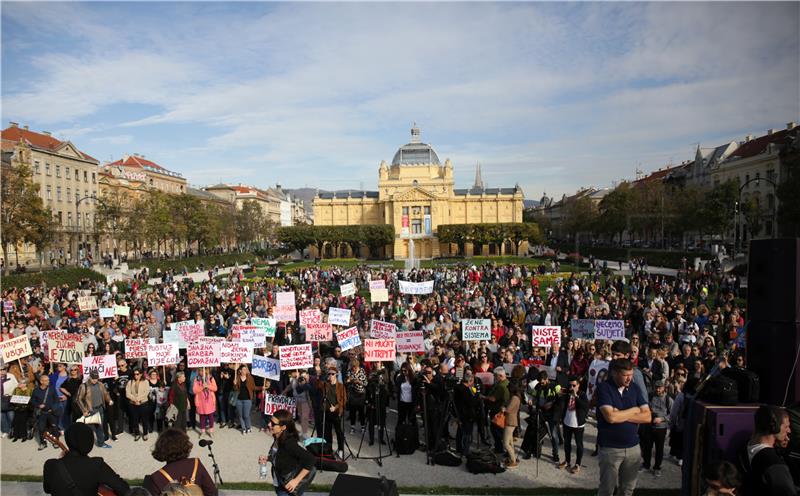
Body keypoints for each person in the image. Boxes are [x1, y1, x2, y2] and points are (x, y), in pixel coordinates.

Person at [596, 358, 652, 496]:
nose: (629, 378)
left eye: (631, 374)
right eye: (625, 375)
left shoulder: (635, 388)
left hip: (633, 448)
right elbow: (610, 417)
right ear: (615, 373)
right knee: (607, 490)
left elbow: (647, 417)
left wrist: (620, 414)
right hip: (610, 449)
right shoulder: (604, 388)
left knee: (627, 490)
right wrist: (635, 410)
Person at [42, 423, 130, 496]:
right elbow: (124, 488)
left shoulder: (50, 465)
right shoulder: (96, 465)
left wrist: (60, 462)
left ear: (68, 440)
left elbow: (48, 489)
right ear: (90, 443)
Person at [142, 428, 217, 496]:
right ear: (185, 445)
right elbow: (212, 492)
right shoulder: (196, 463)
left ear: (161, 449)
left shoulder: (156, 477)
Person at [740, 405, 796, 496]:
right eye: (786, 427)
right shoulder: (773, 463)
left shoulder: (744, 448)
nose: (789, 431)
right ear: (774, 427)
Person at [268, 408, 316, 496]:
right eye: (270, 421)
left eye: (273, 424)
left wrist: (296, 480)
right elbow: (281, 455)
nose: (269, 424)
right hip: (279, 481)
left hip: (287, 487)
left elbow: (310, 459)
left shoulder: (289, 443)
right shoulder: (278, 437)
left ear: (283, 427)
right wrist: (268, 458)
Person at [639, 381, 672, 477]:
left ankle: (657, 468)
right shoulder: (650, 396)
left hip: (661, 428)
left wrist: (662, 419)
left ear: (664, 388)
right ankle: (646, 465)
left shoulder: (668, 399)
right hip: (649, 426)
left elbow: (672, 415)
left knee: (659, 449)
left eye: (660, 387)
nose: (658, 389)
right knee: (647, 447)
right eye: (656, 387)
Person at [75, 370, 113, 449]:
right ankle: (85, 445)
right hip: (90, 410)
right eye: (93, 378)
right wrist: (84, 410)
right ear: (90, 377)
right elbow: (78, 399)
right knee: (88, 428)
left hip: (100, 408)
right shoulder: (84, 386)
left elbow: (105, 394)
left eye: (96, 378)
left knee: (99, 427)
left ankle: (101, 443)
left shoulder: (100, 384)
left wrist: (109, 400)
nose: (95, 380)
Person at [561, 375, 589, 474]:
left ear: (578, 385)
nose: (572, 388)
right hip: (567, 422)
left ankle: (577, 464)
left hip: (578, 424)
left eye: (574, 385)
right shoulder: (568, 393)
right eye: (570, 385)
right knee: (567, 443)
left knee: (579, 444)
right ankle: (567, 461)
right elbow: (562, 405)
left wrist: (575, 396)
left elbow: (585, 407)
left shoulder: (582, 394)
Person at [318, 368, 347, 459]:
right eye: (329, 374)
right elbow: (317, 384)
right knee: (327, 432)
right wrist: (320, 376)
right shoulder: (325, 385)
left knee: (339, 432)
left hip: (337, 412)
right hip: (326, 412)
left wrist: (336, 407)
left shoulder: (341, 386)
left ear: (336, 375)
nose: (330, 375)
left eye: (332, 374)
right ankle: (329, 449)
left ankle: (341, 450)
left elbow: (344, 400)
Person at [482, 367, 510, 455]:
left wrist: (483, 397)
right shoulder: (507, 383)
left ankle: (499, 448)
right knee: (502, 431)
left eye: (495, 376)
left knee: (496, 431)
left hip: (497, 411)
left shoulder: (501, 386)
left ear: (500, 376)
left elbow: (493, 399)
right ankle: (504, 449)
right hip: (503, 410)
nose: (494, 377)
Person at [454, 371, 479, 456]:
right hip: (467, 415)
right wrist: (476, 395)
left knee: (460, 432)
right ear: (470, 381)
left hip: (459, 414)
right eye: (473, 381)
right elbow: (472, 403)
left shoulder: (457, 387)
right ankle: (465, 451)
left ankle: (459, 449)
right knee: (467, 434)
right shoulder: (466, 391)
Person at [31, 373, 59, 450]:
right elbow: (32, 400)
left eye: (48, 380)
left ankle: (56, 442)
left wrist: (52, 408)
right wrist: (38, 405)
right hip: (42, 413)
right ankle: (43, 443)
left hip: (51, 412)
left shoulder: (52, 389)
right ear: (41, 381)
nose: (48, 382)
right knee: (41, 428)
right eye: (46, 381)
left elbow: (56, 400)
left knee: (54, 428)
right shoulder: (36, 390)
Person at [126, 368, 151, 441]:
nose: (135, 375)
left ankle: (145, 433)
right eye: (134, 374)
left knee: (144, 419)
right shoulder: (130, 382)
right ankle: (137, 434)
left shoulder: (145, 381)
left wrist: (138, 399)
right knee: (134, 420)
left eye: (137, 374)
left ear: (141, 374)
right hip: (133, 404)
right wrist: (135, 399)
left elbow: (146, 392)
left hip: (143, 403)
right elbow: (128, 393)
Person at [192, 368, 217, 437]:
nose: (202, 372)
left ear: (206, 371)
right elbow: (194, 390)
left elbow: (215, 388)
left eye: (203, 370)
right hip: (201, 401)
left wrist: (208, 386)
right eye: (200, 370)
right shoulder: (197, 379)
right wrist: (202, 387)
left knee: (211, 417)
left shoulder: (211, 378)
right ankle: (202, 431)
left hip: (210, 401)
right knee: (202, 417)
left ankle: (211, 431)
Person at [503, 381, 522, 469]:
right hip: (512, 421)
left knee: (506, 443)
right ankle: (512, 458)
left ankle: (513, 461)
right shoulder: (517, 397)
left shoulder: (514, 398)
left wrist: (503, 409)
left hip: (510, 421)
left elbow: (508, 410)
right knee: (510, 442)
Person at [345, 359, 367, 435]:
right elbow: (347, 382)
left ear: (357, 366)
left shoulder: (362, 371)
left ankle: (363, 427)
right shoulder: (349, 371)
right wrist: (349, 380)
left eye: (354, 367)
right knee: (352, 411)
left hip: (361, 394)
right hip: (352, 393)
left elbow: (366, 383)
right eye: (352, 367)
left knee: (361, 411)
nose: (353, 369)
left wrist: (359, 382)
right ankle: (352, 427)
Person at [233, 364, 256, 434]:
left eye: (246, 369)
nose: (245, 371)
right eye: (244, 369)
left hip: (247, 400)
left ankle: (248, 427)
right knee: (240, 415)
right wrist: (234, 384)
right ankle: (243, 428)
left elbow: (253, 387)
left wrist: (262, 388)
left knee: (246, 415)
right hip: (238, 400)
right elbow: (235, 389)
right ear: (240, 371)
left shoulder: (250, 377)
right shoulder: (237, 378)